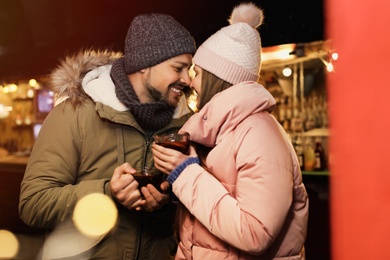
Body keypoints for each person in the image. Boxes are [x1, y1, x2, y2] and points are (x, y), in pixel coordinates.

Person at [19, 13, 196, 259]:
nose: (188, 80)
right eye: (178, 68)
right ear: (145, 64)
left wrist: (167, 203)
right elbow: (33, 204)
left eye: (190, 69)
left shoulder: (187, 125)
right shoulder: (75, 114)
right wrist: (106, 193)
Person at [152, 3, 309, 259]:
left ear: (218, 79)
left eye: (198, 73)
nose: (191, 82)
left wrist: (185, 173)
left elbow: (255, 233)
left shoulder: (259, 135)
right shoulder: (222, 132)